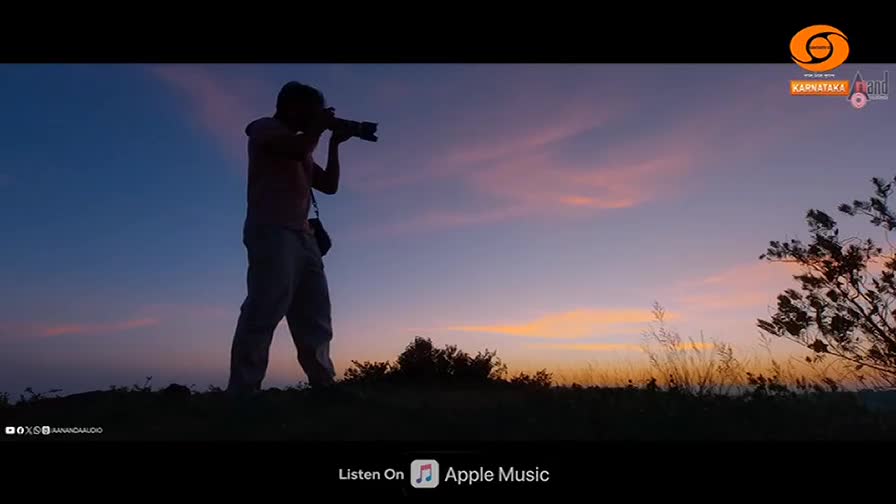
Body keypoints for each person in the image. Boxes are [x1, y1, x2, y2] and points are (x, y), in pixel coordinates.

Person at [227, 81, 353, 394]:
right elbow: (297, 148)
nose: (315, 118)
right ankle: (243, 390)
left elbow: (330, 185)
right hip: (271, 228)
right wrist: (320, 130)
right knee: (265, 307)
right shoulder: (263, 128)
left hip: (303, 237)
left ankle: (324, 385)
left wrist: (334, 144)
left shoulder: (303, 144)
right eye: (312, 112)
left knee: (315, 314)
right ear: (291, 107)